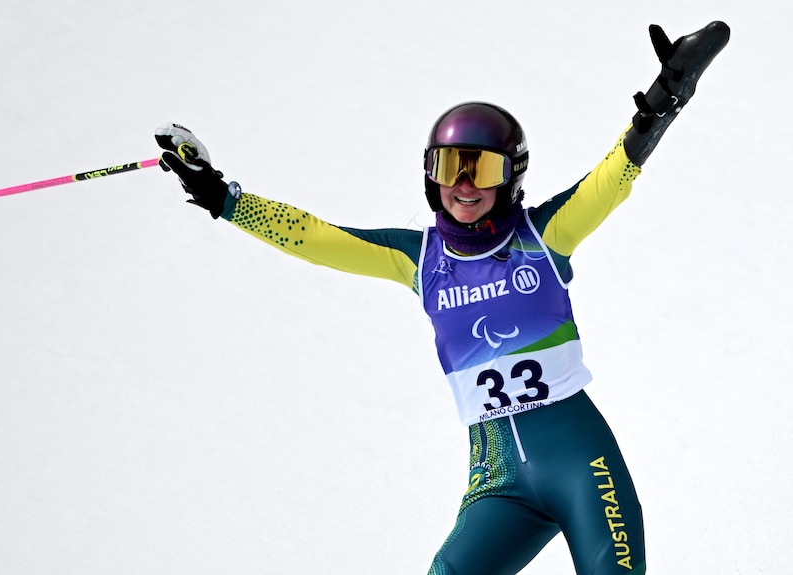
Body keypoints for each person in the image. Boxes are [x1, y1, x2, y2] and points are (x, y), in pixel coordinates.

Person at [155, 21, 729, 575]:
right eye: (451, 167)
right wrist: (221, 196)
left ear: (511, 176)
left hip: (582, 466)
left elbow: (616, 173)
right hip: (498, 483)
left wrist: (665, 97)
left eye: (483, 169)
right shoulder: (419, 259)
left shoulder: (544, 235)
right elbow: (315, 237)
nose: (464, 185)